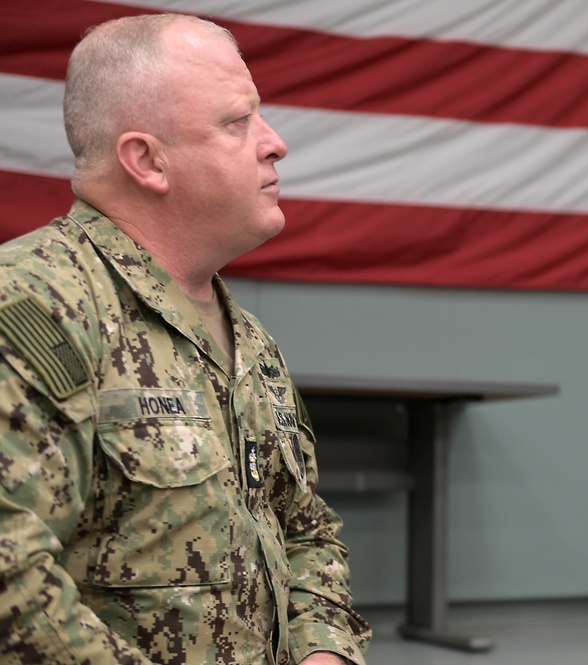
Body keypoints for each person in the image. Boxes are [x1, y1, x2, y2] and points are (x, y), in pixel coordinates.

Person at [0, 13, 370, 665]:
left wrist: (325, 654)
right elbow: (12, 581)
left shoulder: (249, 342)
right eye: (238, 122)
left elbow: (306, 533)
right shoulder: (36, 306)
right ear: (146, 160)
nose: (275, 143)